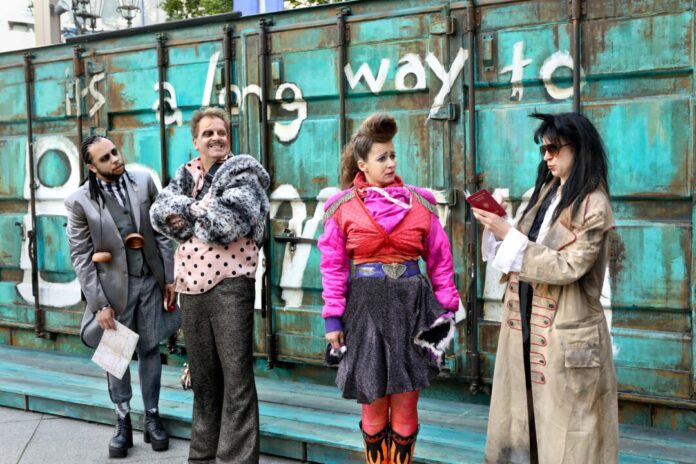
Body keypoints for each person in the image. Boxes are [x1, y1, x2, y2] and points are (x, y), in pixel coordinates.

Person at [474, 112, 618, 464]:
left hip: (565, 337)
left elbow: (569, 265)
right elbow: (519, 251)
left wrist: (510, 237)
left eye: (554, 148)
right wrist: (501, 228)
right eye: (543, 150)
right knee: (524, 433)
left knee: (570, 442)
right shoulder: (547, 194)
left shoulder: (594, 205)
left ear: (579, 149)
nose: (547, 157)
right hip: (525, 330)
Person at [318, 113, 460, 464]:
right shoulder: (340, 207)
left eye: (393, 156)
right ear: (362, 164)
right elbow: (333, 267)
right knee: (373, 402)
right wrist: (332, 320)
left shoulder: (421, 203)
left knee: (407, 404)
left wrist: (447, 311)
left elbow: (441, 262)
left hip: (413, 308)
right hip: (364, 311)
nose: (391, 163)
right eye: (382, 158)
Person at [150, 106, 270, 464]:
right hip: (190, 287)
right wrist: (201, 208)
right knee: (203, 379)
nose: (216, 138)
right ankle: (201, 458)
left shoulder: (244, 172)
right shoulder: (185, 174)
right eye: (208, 134)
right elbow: (159, 214)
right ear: (195, 141)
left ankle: (235, 460)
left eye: (221, 132)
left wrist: (187, 216)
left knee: (236, 379)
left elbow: (228, 225)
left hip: (231, 284)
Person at [65, 135, 180, 459]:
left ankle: (153, 416)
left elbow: (161, 233)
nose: (115, 159)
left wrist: (170, 279)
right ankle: (123, 420)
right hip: (114, 293)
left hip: (150, 283)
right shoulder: (79, 201)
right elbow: (81, 256)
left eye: (115, 152)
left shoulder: (144, 182)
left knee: (150, 350)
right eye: (105, 158)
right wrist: (98, 304)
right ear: (91, 166)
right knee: (116, 357)